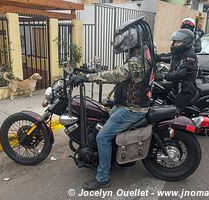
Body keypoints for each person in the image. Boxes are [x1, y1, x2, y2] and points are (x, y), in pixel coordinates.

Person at [70, 25, 152, 190]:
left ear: (132, 39)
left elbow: (117, 75)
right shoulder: (142, 54)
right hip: (126, 105)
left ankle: (102, 177)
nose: (121, 43)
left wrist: (87, 77)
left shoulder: (137, 60)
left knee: (102, 137)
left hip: (132, 109)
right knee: (101, 120)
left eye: (124, 39)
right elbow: (126, 81)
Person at [160, 29, 198, 114]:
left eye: (179, 42)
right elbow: (166, 56)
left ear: (186, 42)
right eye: (175, 42)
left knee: (174, 113)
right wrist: (154, 57)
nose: (175, 44)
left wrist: (164, 76)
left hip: (186, 89)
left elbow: (181, 73)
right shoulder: (178, 53)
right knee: (159, 89)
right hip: (177, 86)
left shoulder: (190, 55)